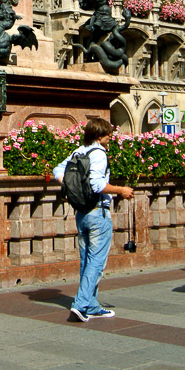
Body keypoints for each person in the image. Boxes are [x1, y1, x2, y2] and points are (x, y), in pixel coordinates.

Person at [52, 117, 134, 322]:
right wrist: (121, 190)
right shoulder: (99, 154)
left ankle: (92, 305)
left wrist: (70, 188)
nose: (110, 138)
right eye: (108, 135)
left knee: (87, 260)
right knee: (96, 261)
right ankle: (80, 305)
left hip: (81, 213)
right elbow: (98, 185)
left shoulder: (79, 151)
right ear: (99, 136)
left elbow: (57, 170)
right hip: (98, 212)